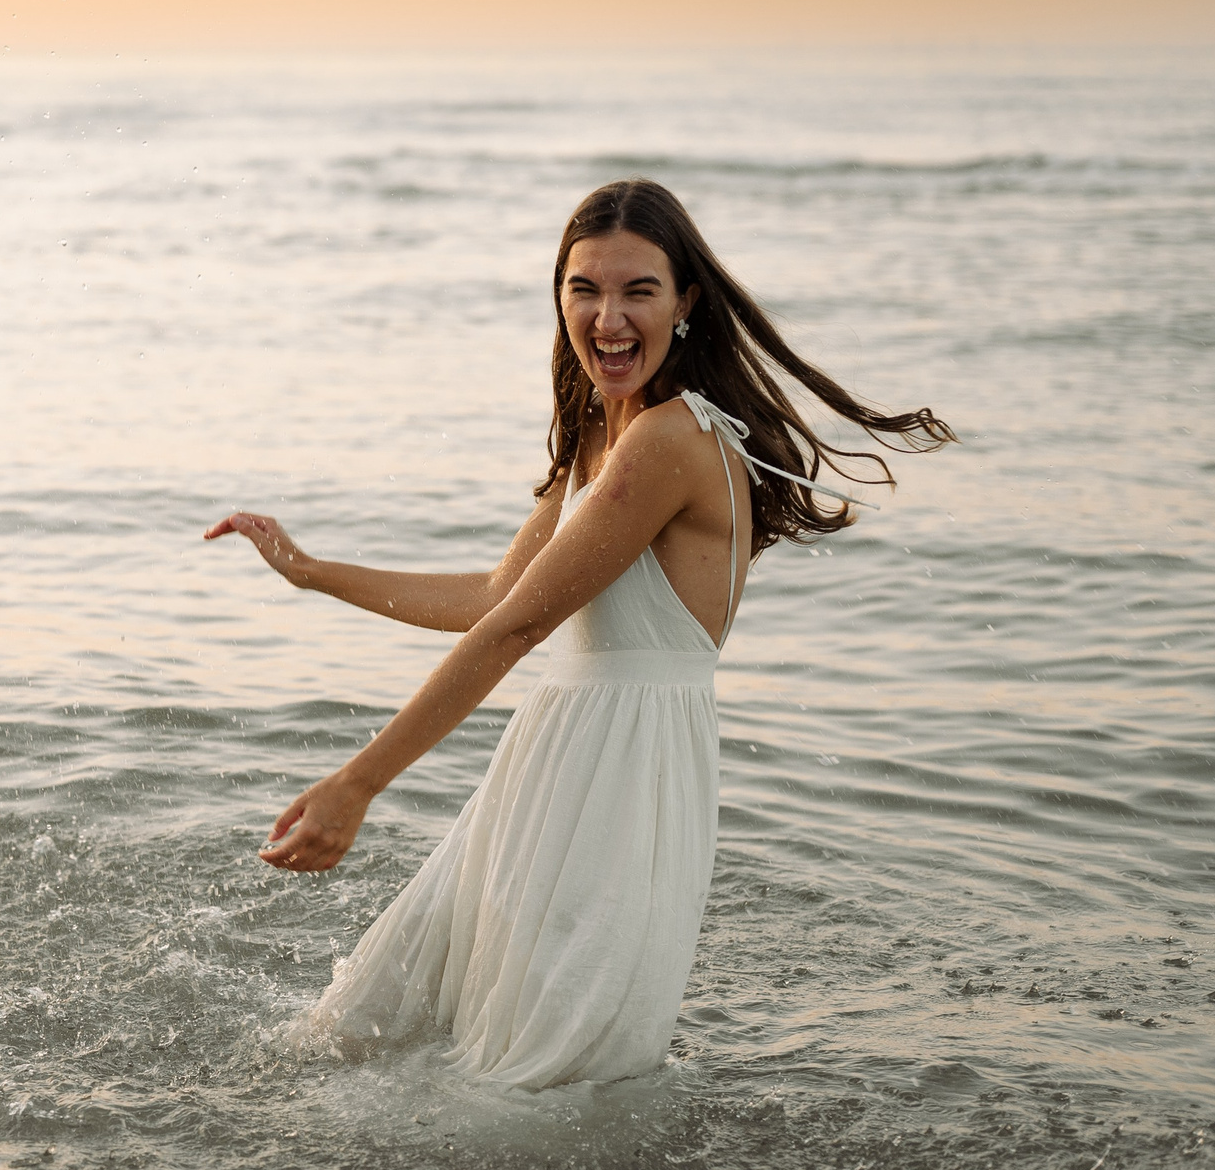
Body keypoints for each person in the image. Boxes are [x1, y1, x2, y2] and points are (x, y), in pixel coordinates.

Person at [206, 179, 952, 1087]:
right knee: (371, 1030)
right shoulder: (604, 434)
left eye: (639, 289)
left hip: (620, 777)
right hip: (554, 760)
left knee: (532, 1080)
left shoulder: (670, 440)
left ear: (687, 304)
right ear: (558, 297)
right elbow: (491, 596)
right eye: (584, 289)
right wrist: (311, 571)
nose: (608, 317)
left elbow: (518, 627)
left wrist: (358, 782)